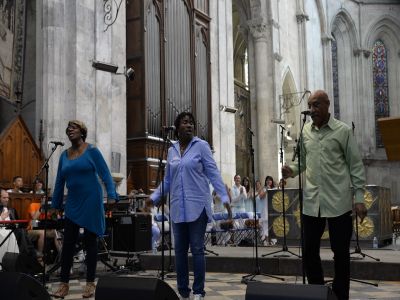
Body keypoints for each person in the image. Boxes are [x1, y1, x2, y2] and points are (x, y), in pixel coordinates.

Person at [282, 90, 367, 300]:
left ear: (328, 105)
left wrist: (358, 198)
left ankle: (340, 295)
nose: (312, 110)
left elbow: (355, 166)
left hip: (339, 202)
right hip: (312, 202)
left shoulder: (343, 131)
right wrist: (290, 170)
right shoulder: (306, 132)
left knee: (341, 254)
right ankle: (317, 293)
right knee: (309, 251)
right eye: (310, 106)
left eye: (316, 105)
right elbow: (300, 161)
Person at [148, 112, 232, 300]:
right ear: (177, 128)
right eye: (185, 123)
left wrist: (225, 198)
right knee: (179, 252)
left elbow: (213, 174)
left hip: (197, 207)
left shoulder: (201, 147)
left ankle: (199, 292)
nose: (189, 125)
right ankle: (183, 292)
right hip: (178, 207)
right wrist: (153, 198)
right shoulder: (172, 151)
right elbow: (168, 181)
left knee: (197, 250)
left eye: (192, 123)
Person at [51, 120, 118, 298]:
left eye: (74, 128)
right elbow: (59, 181)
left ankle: (90, 284)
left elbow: (105, 173)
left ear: (82, 132)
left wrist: (112, 194)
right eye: (68, 128)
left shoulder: (92, 151)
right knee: (68, 243)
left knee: (90, 241)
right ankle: (63, 284)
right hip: (73, 201)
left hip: (91, 200)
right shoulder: (64, 155)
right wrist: (55, 203)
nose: (70, 130)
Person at [257, 176, 275, 245]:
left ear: (272, 181)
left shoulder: (274, 189)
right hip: (265, 208)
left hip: (272, 209)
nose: (269, 181)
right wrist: (266, 190)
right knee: (265, 224)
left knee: (272, 224)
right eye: (267, 180)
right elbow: (261, 197)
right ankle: (266, 240)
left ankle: (271, 240)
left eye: (270, 180)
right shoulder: (264, 189)